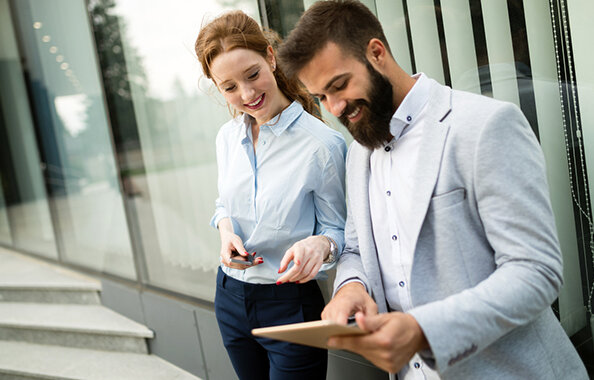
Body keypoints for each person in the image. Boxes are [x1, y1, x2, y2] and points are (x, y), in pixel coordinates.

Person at [277, 1, 589, 379]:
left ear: (376, 52)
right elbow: (357, 248)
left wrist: (422, 330)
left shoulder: (485, 126)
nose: (336, 107)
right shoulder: (359, 154)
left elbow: (536, 272)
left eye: (339, 85)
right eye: (320, 98)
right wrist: (351, 288)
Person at [195, 10, 347, 380]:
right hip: (230, 298)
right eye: (229, 87)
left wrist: (321, 245)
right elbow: (223, 205)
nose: (247, 94)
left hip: (290, 304)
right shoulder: (227, 138)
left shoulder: (322, 146)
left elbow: (343, 232)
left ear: (271, 57)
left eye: (252, 75)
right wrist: (226, 233)